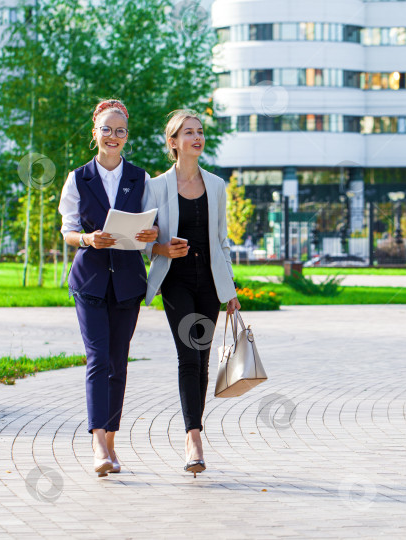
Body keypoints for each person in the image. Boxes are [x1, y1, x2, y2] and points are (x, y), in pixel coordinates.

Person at [58, 99, 158, 477]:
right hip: (90, 281)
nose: (113, 136)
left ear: (126, 136)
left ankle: (112, 441)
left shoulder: (139, 177)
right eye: (106, 129)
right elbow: (68, 231)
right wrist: (87, 239)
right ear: (95, 133)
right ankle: (98, 441)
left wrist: (152, 234)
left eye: (119, 131)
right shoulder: (77, 177)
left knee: (118, 363)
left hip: (128, 283)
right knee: (98, 359)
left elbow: (151, 228)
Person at [142, 109, 241, 477]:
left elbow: (222, 241)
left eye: (199, 132)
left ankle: (195, 430)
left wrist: (229, 289)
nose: (197, 138)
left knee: (201, 358)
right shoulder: (155, 187)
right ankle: (193, 438)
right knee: (189, 356)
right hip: (176, 280)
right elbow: (140, 239)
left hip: (209, 282)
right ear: (173, 142)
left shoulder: (216, 185)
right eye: (188, 132)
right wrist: (162, 249)